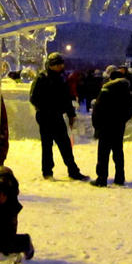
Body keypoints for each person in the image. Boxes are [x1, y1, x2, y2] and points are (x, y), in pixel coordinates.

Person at [28, 52, 88, 180]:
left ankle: (72, 170)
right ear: (51, 65)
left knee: (65, 144)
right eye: (57, 64)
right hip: (45, 116)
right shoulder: (42, 78)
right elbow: (33, 98)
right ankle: (47, 171)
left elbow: (67, 98)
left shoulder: (61, 78)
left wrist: (71, 114)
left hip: (56, 116)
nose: (60, 66)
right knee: (47, 145)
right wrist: (47, 107)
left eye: (61, 64)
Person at [91, 66, 132, 187]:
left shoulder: (106, 90)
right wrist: (121, 120)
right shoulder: (126, 91)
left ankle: (101, 178)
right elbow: (130, 111)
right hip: (118, 127)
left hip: (105, 126)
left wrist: (97, 125)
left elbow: (98, 109)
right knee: (118, 152)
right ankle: (119, 177)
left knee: (103, 154)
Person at [0, 166, 35, 259]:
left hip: (7, 210)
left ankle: (25, 242)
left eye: (1, 194)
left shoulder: (7, 185)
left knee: (3, 244)